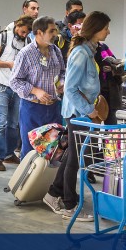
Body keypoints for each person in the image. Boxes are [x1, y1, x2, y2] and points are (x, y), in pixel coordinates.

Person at [42, 11, 111, 221]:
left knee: (74, 155)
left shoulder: (90, 51)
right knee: (75, 159)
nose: (108, 31)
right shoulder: (81, 53)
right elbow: (70, 89)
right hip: (78, 113)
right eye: (106, 27)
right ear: (96, 29)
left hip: (82, 112)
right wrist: (89, 110)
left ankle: (54, 193)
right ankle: (69, 204)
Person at [9, 16, 65, 158]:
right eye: (51, 31)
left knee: (53, 150)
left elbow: (62, 72)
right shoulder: (25, 53)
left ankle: (47, 181)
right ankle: (27, 180)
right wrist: (35, 90)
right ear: (39, 32)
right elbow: (14, 81)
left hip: (53, 108)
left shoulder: (56, 51)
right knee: (30, 151)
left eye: (56, 30)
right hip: (32, 108)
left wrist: (61, 83)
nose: (55, 34)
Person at [0, 15, 32, 168]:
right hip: (1, 86)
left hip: (17, 88)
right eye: (23, 31)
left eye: (27, 33)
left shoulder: (27, 41)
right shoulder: (3, 37)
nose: (24, 34)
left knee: (13, 124)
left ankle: (9, 154)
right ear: (17, 25)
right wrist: (8, 64)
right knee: (0, 122)